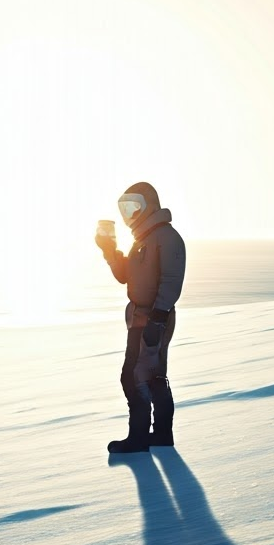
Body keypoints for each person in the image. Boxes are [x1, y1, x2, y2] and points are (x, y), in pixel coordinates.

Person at [95, 182, 186, 454]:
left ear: (149, 206)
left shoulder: (167, 237)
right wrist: (109, 250)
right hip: (140, 317)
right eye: (124, 208)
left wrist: (157, 318)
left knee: (132, 376)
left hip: (154, 317)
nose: (129, 214)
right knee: (154, 375)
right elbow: (125, 276)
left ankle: (139, 437)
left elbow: (171, 280)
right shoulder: (142, 239)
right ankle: (162, 435)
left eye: (134, 207)